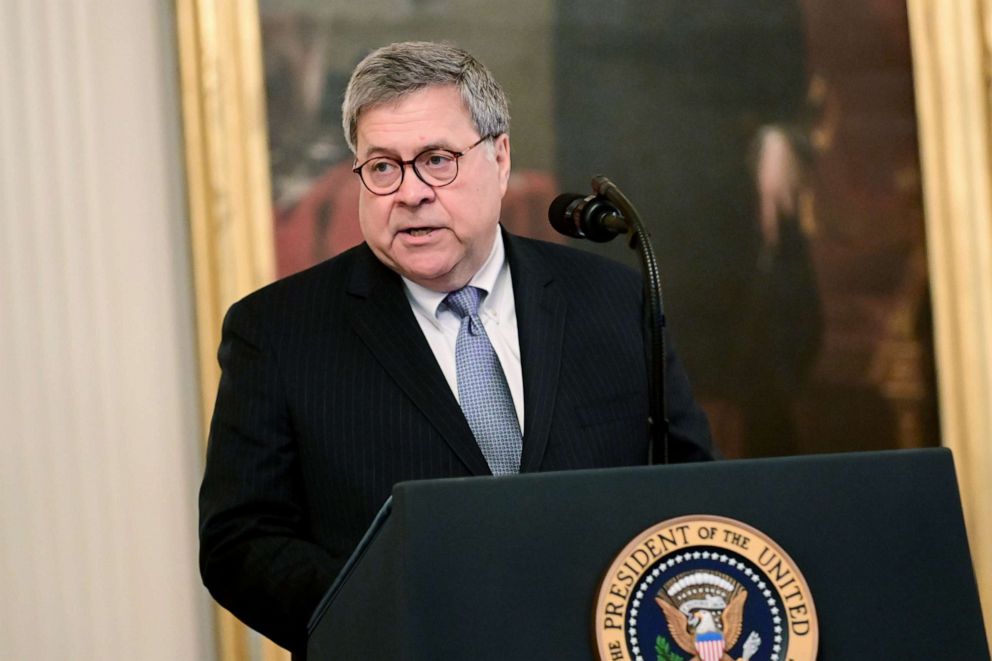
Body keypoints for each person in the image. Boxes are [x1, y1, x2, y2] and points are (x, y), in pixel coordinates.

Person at [199, 40, 713, 656]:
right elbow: (241, 542)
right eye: (383, 166)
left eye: (437, 160)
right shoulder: (278, 332)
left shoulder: (610, 301)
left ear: (499, 159)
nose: (410, 192)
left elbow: (693, 492)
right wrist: (393, 614)